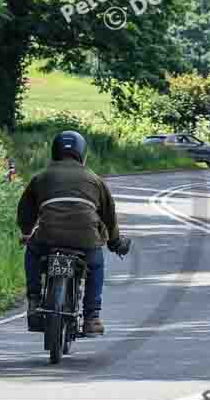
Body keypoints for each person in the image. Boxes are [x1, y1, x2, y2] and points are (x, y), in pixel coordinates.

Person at [16, 130, 131, 335]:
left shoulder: (41, 177)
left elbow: (25, 210)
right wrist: (115, 243)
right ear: (82, 153)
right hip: (86, 239)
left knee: (32, 252)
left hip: (48, 237)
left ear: (54, 151)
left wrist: (26, 232)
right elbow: (109, 215)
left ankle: (34, 301)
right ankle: (92, 318)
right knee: (95, 265)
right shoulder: (94, 179)